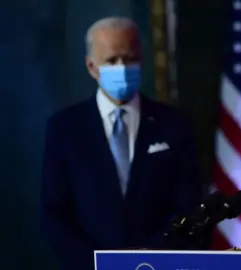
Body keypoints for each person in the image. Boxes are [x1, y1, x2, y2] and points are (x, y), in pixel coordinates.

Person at [40, 17, 202, 270]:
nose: (122, 68)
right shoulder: (65, 128)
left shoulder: (174, 125)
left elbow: (188, 206)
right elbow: (55, 214)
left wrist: (147, 261)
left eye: (129, 59)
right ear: (92, 66)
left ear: (142, 59)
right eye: (112, 61)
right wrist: (99, 264)